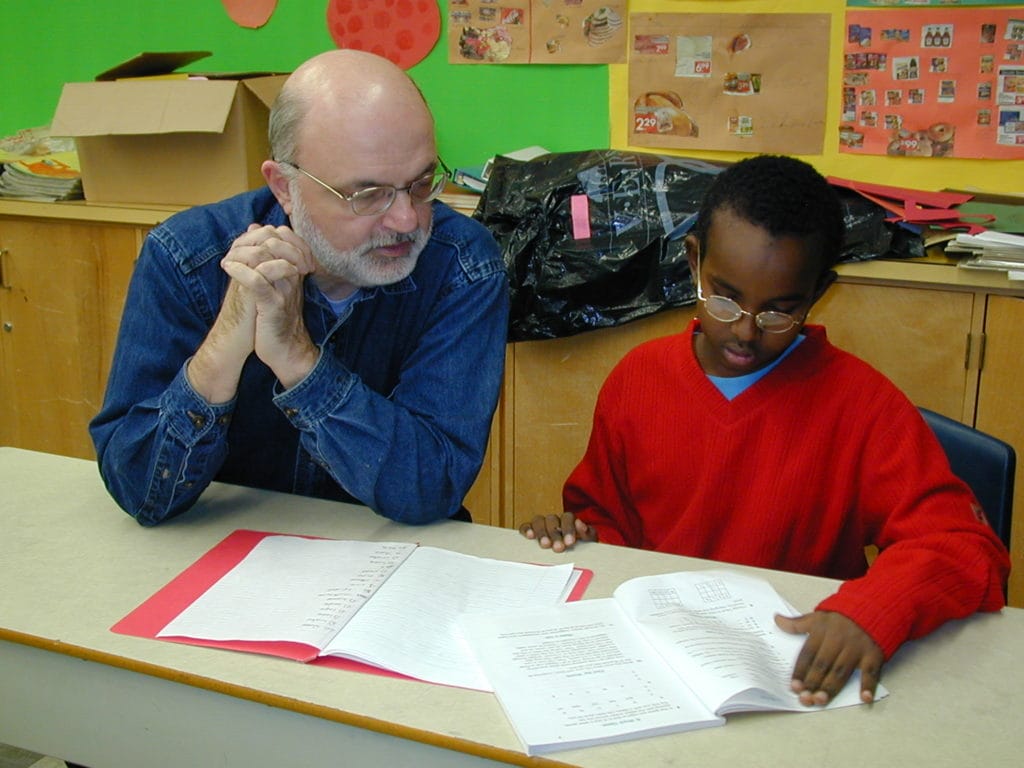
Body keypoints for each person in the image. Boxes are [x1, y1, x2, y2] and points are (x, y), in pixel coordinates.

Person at [519, 154, 1009, 706]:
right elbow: (609, 521)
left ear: (818, 292)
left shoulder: (863, 407)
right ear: (694, 261)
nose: (746, 332)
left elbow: (965, 548)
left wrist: (872, 612)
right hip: (661, 668)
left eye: (779, 312)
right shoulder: (638, 379)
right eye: (724, 298)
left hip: (795, 674)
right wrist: (578, 534)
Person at [89, 49, 509, 527]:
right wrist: (224, 344)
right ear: (284, 187)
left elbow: (430, 486)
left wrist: (296, 358)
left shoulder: (463, 266)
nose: (407, 219)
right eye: (367, 194)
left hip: (396, 562)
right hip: (227, 555)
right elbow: (140, 492)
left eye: (421, 183)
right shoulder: (188, 256)